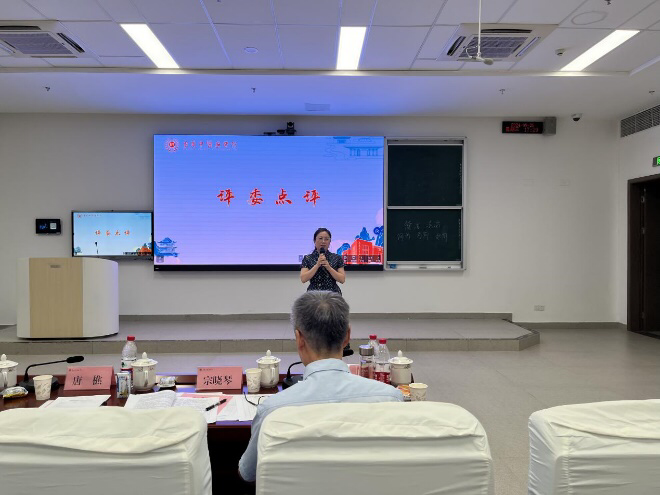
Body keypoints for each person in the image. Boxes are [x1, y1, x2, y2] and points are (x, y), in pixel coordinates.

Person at [238, 291, 403, 482]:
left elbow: (247, 474)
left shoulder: (272, 410)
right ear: (347, 336)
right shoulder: (391, 399)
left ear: (299, 338)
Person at [300, 227, 345, 294]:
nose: (323, 241)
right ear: (314, 241)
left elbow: (342, 279)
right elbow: (303, 279)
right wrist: (317, 265)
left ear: (330, 242)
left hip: (332, 294)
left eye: (326, 239)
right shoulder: (308, 258)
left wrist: (328, 267)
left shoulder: (337, 258)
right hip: (313, 294)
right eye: (320, 238)